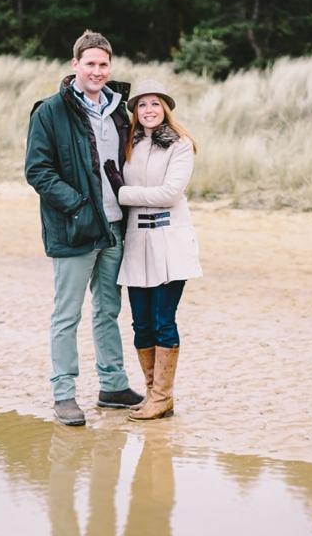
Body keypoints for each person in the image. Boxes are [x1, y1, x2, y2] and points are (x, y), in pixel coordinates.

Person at [25, 30, 144, 426]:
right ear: (75, 64)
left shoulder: (117, 109)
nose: (97, 70)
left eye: (103, 64)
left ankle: (113, 386)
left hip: (114, 228)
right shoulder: (50, 111)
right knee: (67, 315)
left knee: (108, 310)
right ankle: (64, 395)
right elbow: (38, 171)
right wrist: (78, 207)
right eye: (90, 63)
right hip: (74, 228)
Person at [104, 80, 202, 421]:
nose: (148, 110)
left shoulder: (180, 145)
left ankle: (163, 397)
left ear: (165, 109)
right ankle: (153, 396)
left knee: (163, 321)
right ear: (134, 112)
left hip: (169, 242)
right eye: (142, 105)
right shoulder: (129, 144)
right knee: (140, 324)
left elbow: (170, 194)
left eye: (155, 104)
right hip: (136, 243)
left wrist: (124, 193)